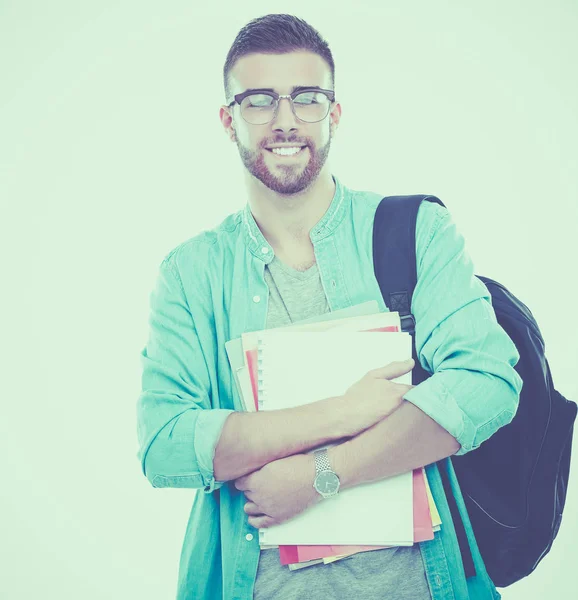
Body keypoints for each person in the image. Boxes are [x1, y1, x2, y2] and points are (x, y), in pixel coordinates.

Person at [136, 13, 523, 600]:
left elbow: (488, 381)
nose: (285, 120)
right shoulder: (191, 273)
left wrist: (320, 477)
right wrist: (339, 414)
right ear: (228, 119)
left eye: (307, 98)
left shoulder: (416, 231)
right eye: (259, 99)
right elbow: (165, 442)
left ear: (334, 112)